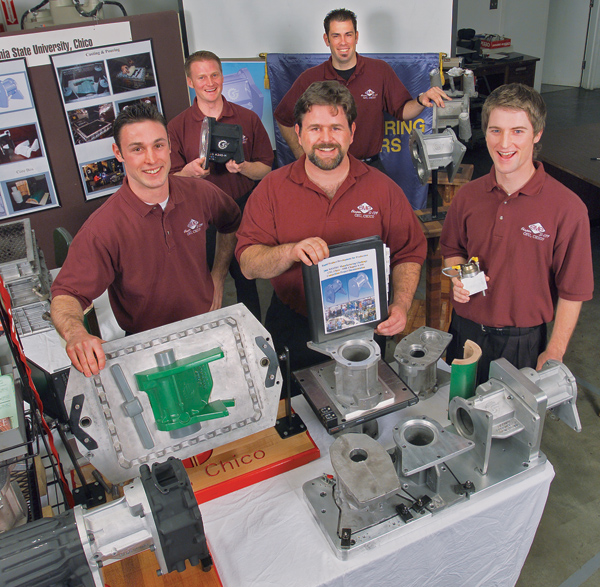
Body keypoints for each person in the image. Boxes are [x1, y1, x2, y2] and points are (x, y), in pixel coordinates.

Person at [236, 81, 427, 370]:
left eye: (336, 128)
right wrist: (290, 252)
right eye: (315, 128)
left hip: (366, 328)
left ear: (351, 133)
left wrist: (400, 305)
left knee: (363, 407)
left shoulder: (383, 189)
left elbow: (409, 253)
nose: (326, 139)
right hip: (293, 326)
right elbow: (249, 265)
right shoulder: (271, 189)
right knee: (294, 411)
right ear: (299, 134)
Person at [51, 103, 241, 377]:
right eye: (137, 149)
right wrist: (76, 334)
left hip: (208, 330)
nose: (152, 159)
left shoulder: (200, 193)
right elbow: (66, 294)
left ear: (169, 146)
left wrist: (219, 275)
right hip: (147, 351)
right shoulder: (104, 227)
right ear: (119, 153)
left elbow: (231, 223)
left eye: (158, 145)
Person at [440, 83, 593, 384]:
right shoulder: (468, 196)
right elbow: (452, 249)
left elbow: (573, 291)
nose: (504, 142)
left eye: (518, 131)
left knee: (510, 428)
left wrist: (556, 350)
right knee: (455, 418)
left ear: (537, 134)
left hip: (521, 344)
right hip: (465, 331)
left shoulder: (567, 208)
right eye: (495, 130)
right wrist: (459, 276)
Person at [273, 8, 449, 170]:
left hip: (369, 166)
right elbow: (283, 117)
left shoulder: (379, 71)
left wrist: (421, 100)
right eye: (336, 36)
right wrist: (302, 156)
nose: (343, 42)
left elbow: (402, 110)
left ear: (356, 37)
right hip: (327, 169)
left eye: (348, 35)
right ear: (326, 40)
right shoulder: (310, 79)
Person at [168, 50, 273, 320]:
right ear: (190, 82)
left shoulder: (247, 118)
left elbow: (266, 169)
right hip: (199, 216)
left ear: (222, 76)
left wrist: (245, 168)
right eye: (201, 77)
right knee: (201, 284)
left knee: (246, 278)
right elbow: (167, 180)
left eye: (214, 74)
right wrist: (189, 173)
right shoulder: (177, 127)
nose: (210, 82)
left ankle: (254, 337)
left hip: (242, 211)